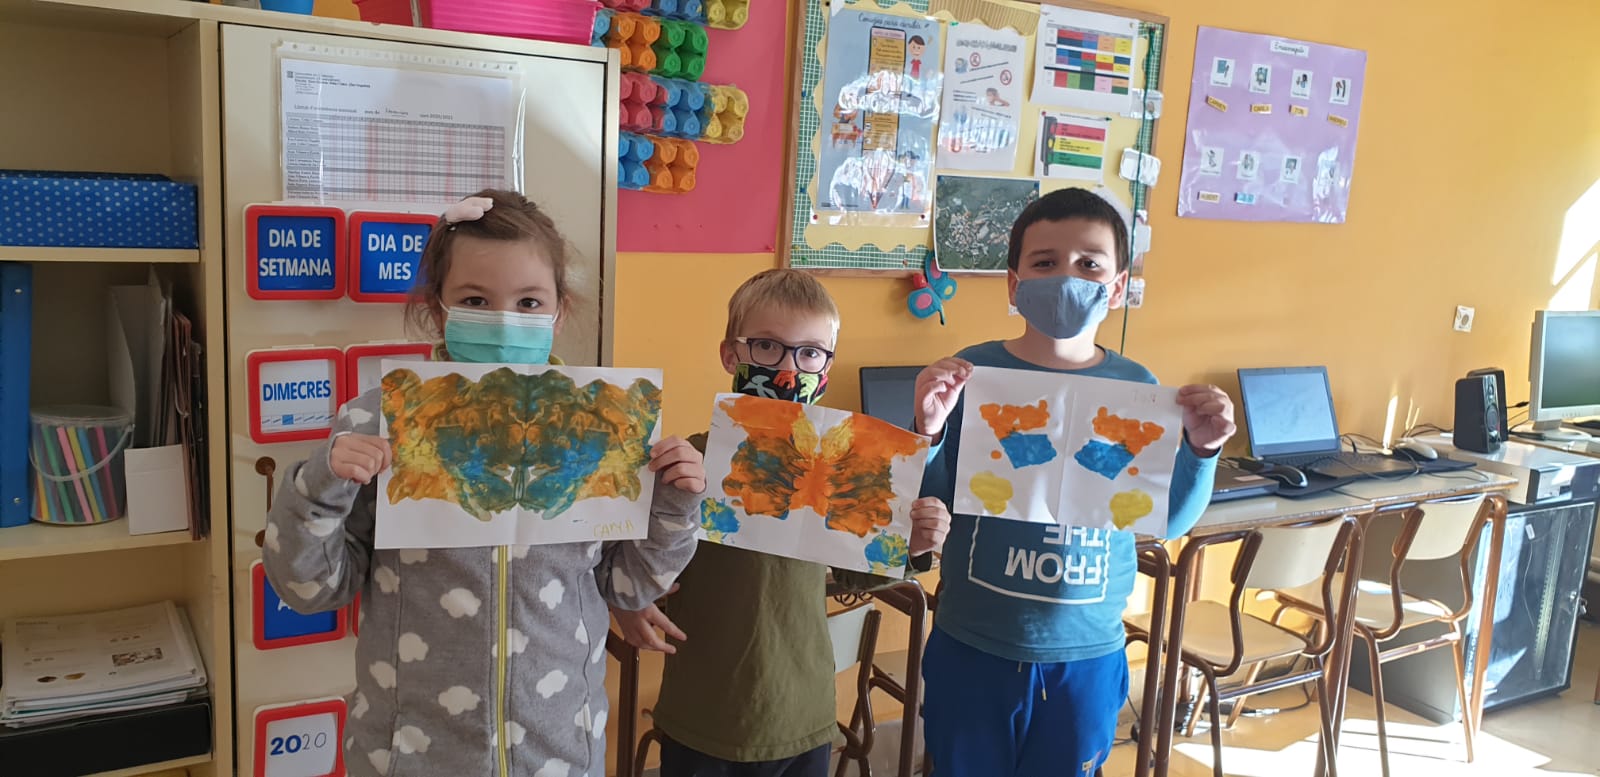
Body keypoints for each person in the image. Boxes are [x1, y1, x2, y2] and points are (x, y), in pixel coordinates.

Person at [261, 190, 705, 777]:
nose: (504, 320)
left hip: (560, 754)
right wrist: (317, 486)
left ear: (559, 312)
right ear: (437, 309)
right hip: (410, 756)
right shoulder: (378, 422)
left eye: (528, 301)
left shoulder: (601, 428)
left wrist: (674, 505)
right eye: (475, 300)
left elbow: (627, 587)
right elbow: (310, 590)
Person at [913, 188, 1237, 776]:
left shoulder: (1138, 388)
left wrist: (1202, 450)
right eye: (1045, 262)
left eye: (1090, 263)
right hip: (973, 643)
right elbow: (932, 499)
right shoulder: (974, 373)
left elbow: (1168, 521)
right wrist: (928, 431)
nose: (1067, 276)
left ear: (1117, 287)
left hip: (1085, 654)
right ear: (1014, 285)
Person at [612, 269, 952, 777]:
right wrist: (626, 599)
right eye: (767, 347)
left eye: (810, 353)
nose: (789, 370)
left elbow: (859, 573)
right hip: (703, 713)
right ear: (732, 355)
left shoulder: (837, 469)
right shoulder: (687, 464)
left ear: (827, 367)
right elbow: (630, 566)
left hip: (802, 714)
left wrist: (915, 544)